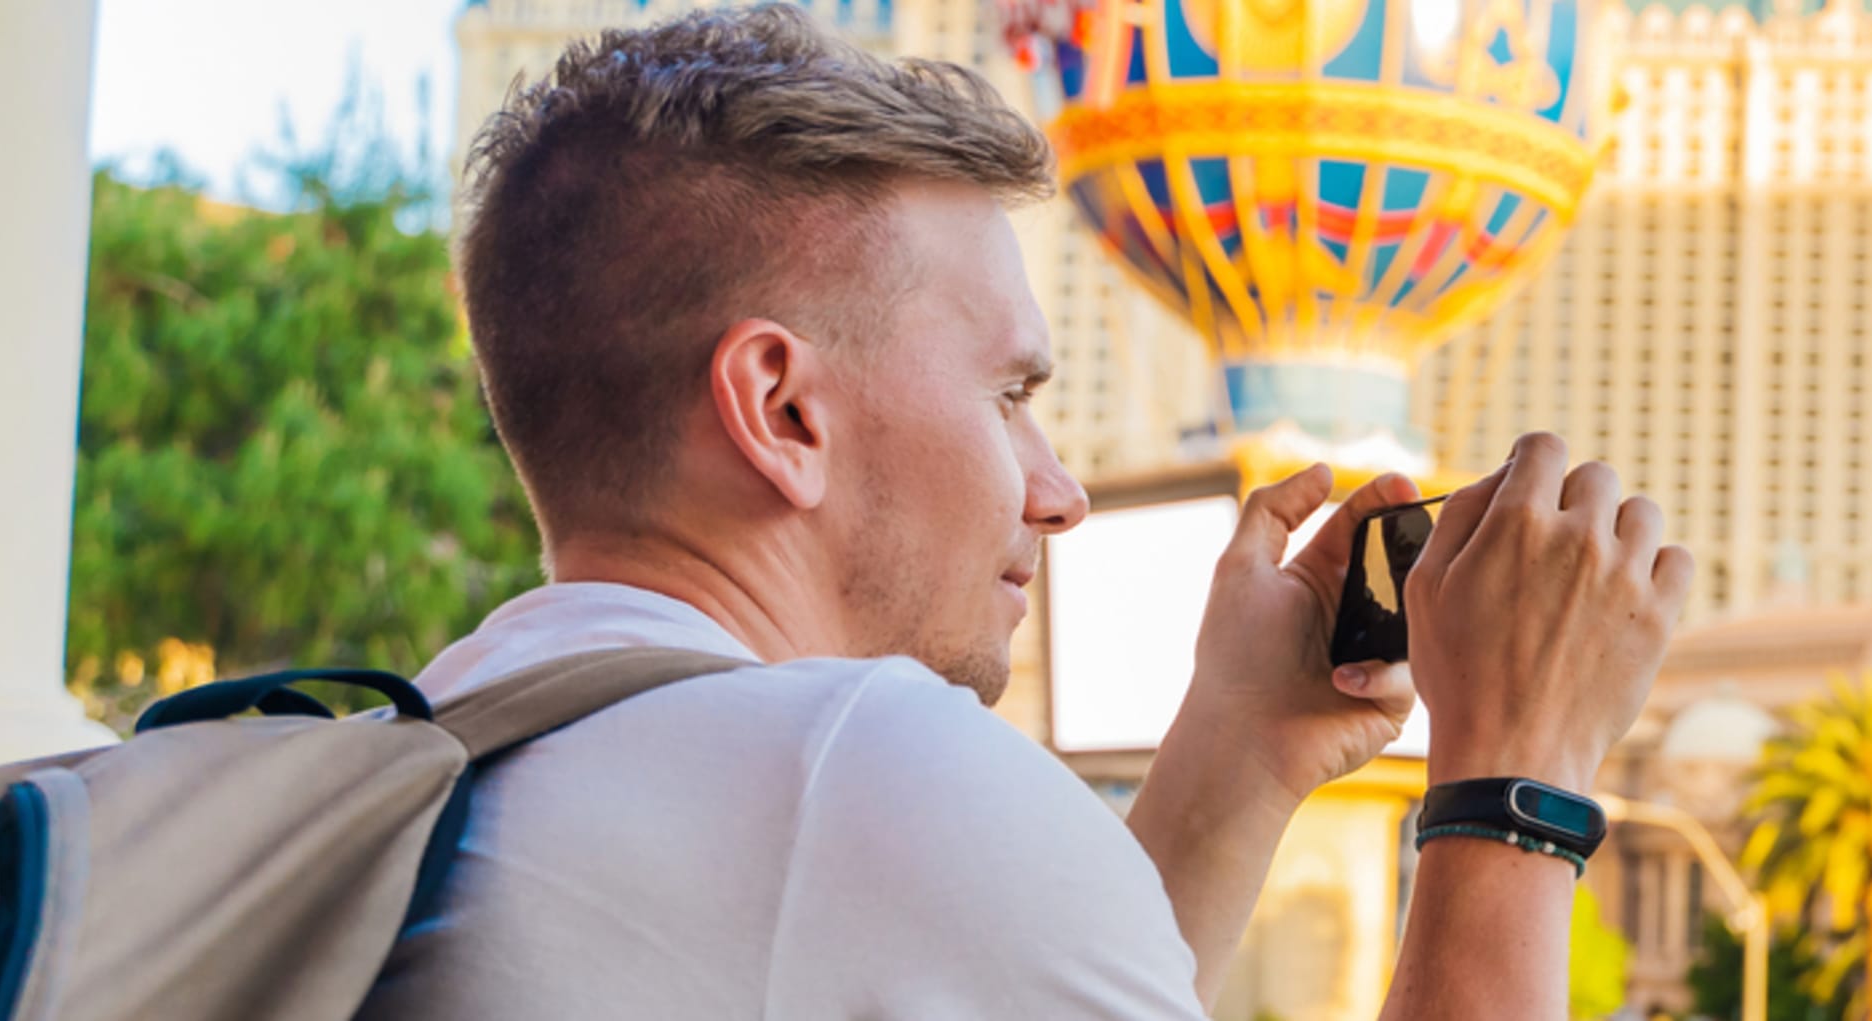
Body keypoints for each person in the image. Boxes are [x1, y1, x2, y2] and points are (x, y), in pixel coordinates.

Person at [361, 6, 1688, 1017]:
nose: (1059, 493)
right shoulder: (859, 768)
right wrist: (1519, 778)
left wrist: (1241, 748)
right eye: (1008, 394)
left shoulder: (451, 736)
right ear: (782, 409)